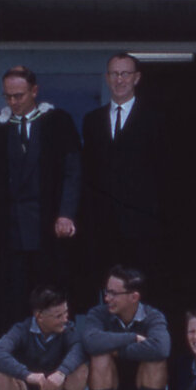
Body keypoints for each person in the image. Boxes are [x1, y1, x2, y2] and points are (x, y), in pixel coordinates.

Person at [0, 66, 82, 335]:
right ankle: (11, 367)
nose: (13, 102)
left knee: (48, 295)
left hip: (47, 229)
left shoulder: (58, 122)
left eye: (19, 96)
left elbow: (72, 172)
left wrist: (66, 213)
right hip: (6, 231)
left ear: (34, 91)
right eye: (8, 96)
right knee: (8, 297)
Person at [81, 53, 165, 283]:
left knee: (140, 290)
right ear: (107, 78)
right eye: (114, 74)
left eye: (125, 74)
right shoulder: (92, 120)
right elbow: (88, 172)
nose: (120, 80)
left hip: (142, 226)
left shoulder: (155, 120)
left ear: (136, 78)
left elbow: (164, 173)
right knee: (107, 291)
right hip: (103, 227)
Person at [73, 264, 171, 390]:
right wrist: (132, 337)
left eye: (113, 293)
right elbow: (90, 342)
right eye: (106, 292)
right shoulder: (98, 314)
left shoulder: (153, 316)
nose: (107, 298)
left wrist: (118, 351)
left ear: (134, 297)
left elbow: (162, 348)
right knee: (99, 356)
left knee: (156, 360)